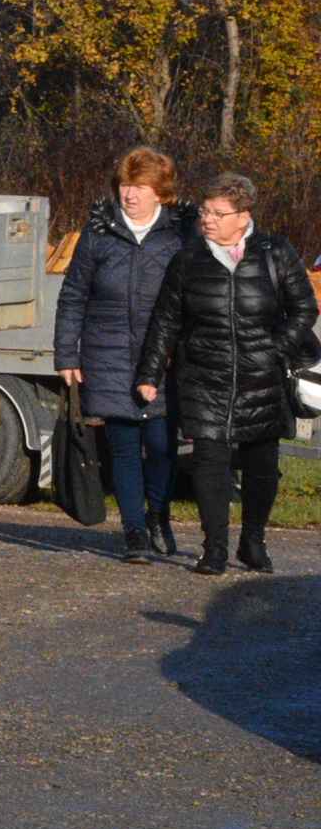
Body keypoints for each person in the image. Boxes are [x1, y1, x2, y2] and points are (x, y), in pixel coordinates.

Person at [134, 172, 318, 575]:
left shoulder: (276, 251)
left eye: (218, 213)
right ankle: (213, 549)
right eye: (204, 211)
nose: (208, 219)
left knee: (261, 465)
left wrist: (274, 351)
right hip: (204, 377)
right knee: (209, 463)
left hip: (263, 378)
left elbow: (305, 309)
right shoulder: (188, 259)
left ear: (243, 215)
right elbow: (165, 320)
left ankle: (253, 541)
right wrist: (148, 374)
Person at [54, 147, 192, 562]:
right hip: (107, 353)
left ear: (160, 192)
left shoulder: (181, 235)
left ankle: (158, 517)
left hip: (164, 357)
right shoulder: (99, 233)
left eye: (140, 187)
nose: (130, 195)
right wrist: (66, 354)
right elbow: (73, 295)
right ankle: (134, 530)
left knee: (162, 445)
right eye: (125, 186)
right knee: (125, 447)